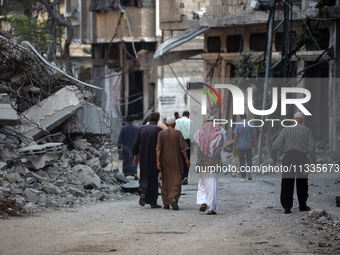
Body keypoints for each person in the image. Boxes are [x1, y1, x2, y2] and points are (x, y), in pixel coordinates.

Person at [270, 112, 316, 214]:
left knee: (287, 182)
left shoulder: (286, 129)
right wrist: (312, 162)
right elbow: (312, 148)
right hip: (301, 158)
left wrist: (274, 157)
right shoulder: (307, 130)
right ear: (302, 120)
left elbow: (275, 145)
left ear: (293, 119)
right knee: (302, 183)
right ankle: (302, 206)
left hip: (288, 158)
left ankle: (287, 207)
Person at [156, 116, 190, 210]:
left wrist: (158, 161)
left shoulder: (161, 134)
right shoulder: (178, 133)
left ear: (166, 124)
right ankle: (174, 199)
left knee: (166, 180)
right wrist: (187, 159)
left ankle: (166, 203)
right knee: (176, 179)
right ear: (174, 124)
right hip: (176, 161)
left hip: (164, 161)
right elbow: (183, 149)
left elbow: (158, 149)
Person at [133, 112, 163, 208]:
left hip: (143, 157)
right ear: (158, 120)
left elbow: (136, 142)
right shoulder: (159, 130)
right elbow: (162, 145)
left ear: (148, 120)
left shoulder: (141, 128)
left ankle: (143, 191)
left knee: (144, 174)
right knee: (153, 178)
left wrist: (135, 155)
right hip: (155, 157)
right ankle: (152, 202)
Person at [194, 118, 223, 215]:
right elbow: (218, 151)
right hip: (213, 164)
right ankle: (211, 208)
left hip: (202, 163)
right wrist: (210, 161)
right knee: (212, 185)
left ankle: (203, 202)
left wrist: (204, 161)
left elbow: (198, 151)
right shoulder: (219, 135)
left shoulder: (199, 134)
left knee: (202, 184)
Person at [233, 113, 258, 181]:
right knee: (249, 159)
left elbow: (236, 136)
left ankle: (243, 177)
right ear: (246, 117)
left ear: (240, 117)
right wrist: (256, 146)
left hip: (240, 146)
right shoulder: (251, 124)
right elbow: (254, 136)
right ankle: (249, 173)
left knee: (241, 161)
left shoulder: (238, 125)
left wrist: (234, 146)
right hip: (249, 146)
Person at [117, 115, 139, 179]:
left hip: (126, 147)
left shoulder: (123, 128)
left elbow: (120, 139)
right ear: (132, 121)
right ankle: (134, 173)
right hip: (134, 147)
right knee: (134, 160)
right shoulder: (136, 128)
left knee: (126, 160)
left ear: (126, 120)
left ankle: (126, 173)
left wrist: (119, 148)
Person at [175, 111, 191, 185]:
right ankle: (185, 177)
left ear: (182, 115)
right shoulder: (190, 121)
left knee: (179, 159)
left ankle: (179, 176)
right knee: (187, 159)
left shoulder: (177, 121)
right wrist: (193, 144)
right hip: (187, 142)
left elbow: (174, 132)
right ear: (188, 115)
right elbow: (192, 132)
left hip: (178, 141)